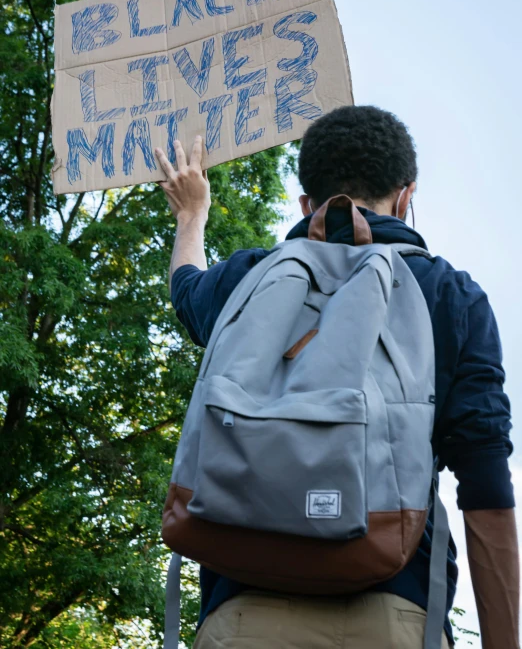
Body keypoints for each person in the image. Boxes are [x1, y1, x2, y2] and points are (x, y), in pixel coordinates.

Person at [155, 105, 518, 649]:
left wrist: (192, 216)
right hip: (397, 610)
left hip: (242, 615)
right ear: (406, 195)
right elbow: (485, 486)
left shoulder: (250, 280)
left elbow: (187, 289)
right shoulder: (449, 294)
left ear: (307, 203)